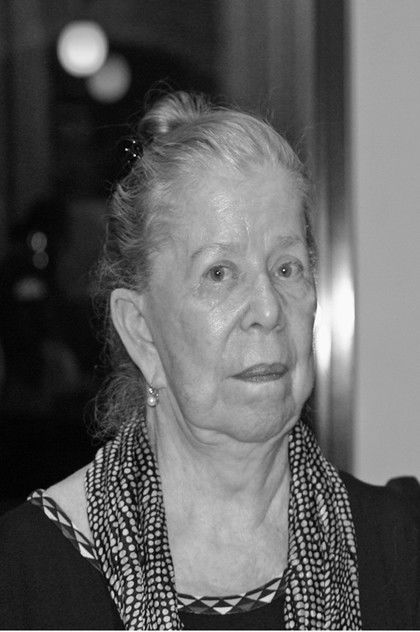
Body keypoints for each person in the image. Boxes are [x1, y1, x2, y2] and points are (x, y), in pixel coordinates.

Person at [0, 91, 419, 630]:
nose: (267, 310)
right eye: (219, 273)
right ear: (142, 331)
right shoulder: (27, 575)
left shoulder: (397, 547)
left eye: (287, 268)